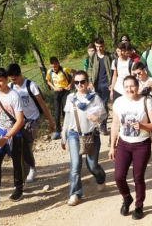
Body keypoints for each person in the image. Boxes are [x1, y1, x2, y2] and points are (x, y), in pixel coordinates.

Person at [109, 76, 152, 220]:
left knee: (138, 178)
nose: (129, 89)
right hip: (124, 144)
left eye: (132, 86)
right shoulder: (119, 102)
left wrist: (143, 126)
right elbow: (115, 125)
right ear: (123, 88)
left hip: (141, 144)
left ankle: (139, 205)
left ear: (138, 86)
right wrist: (112, 147)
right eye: (126, 87)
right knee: (118, 177)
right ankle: (127, 198)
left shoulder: (147, 102)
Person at [0, 68, 31, 213]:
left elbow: (20, 120)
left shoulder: (14, 96)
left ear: (6, 80)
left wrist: (7, 137)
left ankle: (18, 188)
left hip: (15, 135)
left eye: (0, 81)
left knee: (17, 163)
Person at [61, 71, 107, 206]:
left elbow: (104, 115)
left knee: (92, 166)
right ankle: (75, 193)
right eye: (77, 82)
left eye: (82, 82)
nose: (80, 84)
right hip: (74, 135)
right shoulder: (70, 98)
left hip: (92, 134)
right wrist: (64, 137)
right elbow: (67, 120)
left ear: (87, 82)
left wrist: (97, 118)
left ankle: (101, 178)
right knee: (75, 166)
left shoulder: (94, 98)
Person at [7, 63, 55, 183]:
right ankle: (24, 171)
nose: (13, 81)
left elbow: (42, 103)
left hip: (31, 121)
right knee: (18, 148)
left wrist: (50, 120)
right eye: (10, 79)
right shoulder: (10, 87)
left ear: (20, 74)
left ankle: (30, 170)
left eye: (14, 79)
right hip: (17, 121)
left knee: (27, 146)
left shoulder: (31, 86)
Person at [88, 37, 114, 135]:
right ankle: (97, 123)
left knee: (103, 103)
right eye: (97, 46)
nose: (99, 48)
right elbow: (90, 69)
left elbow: (113, 70)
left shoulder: (109, 56)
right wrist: (90, 81)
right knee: (97, 105)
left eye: (101, 46)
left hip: (107, 83)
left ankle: (103, 125)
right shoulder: (93, 57)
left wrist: (112, 83)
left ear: (104, 46)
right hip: (96, 83)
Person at [46, 57, 76, 139]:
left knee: (65, 111)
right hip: (57, 93)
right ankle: (57, 131)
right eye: (52, 67)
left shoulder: (65, 69)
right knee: (57, 113)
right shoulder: (49, 72)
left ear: (58, 63)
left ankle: (67, 130)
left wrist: (70, 84)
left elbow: (75, 72)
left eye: (55, 66)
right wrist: (54, 88)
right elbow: (48, 81)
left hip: (65, 92)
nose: (54, 68)